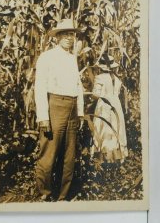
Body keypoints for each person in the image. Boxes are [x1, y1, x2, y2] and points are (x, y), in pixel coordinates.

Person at [34, 19, 84, 201]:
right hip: (54, 107)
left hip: (72, 109)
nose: (69, 38)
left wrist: (80, 113)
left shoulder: (72, 59)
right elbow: (40, 87)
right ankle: (45, 195)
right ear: (56, 36)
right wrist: (43, 117)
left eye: (71, 34)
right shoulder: (47, 57)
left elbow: (78, 86)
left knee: (69, 157)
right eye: (64, 34)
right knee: (49, 154)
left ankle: (63, 196)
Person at [87, 53, 128, 163]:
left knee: (104, 128)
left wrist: (88, 96)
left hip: (104, 105)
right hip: (116, 105)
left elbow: (96, 94)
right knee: (116, 127)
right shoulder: (117, 79)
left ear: (101, 67)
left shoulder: (99, 78)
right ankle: (117, 157)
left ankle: (104, 158)